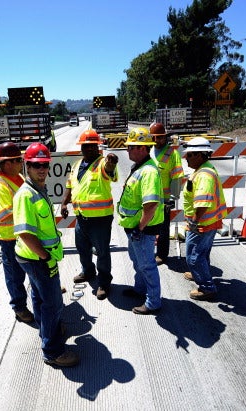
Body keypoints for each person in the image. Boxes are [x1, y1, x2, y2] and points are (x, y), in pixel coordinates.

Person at [13, 142, 79, 367]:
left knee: (40, 298)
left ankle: (45, 330)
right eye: (35, 165)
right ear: (27, 167)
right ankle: (52, 351)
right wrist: (46, 257)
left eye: (44, 165)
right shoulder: (25, 195)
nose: (41, 169)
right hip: (36, 258)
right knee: (53, 304)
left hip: (36, 257)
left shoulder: (38, 189)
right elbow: (24, 233)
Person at [61, 129, 119, 300]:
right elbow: (70, 185)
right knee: (82, 248)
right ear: (82, 148)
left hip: (100, 219)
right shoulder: (77, 164)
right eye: (87, 146)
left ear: (98, 147)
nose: (90, 149)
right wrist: (64, 202)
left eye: (93, 146)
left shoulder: (102, 163)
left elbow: (110, 171)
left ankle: (104, 282)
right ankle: (88, 272)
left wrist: (112, 163)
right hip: (81, 217)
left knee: (101, 251)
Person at [117, 127, 164, 314]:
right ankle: (140, 289)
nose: (128, 150)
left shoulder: (149, 172)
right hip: (135, 227)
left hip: (142, 229)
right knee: (137, 261)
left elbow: (150, 205)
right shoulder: (140, 167)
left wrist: (140, 227)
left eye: (131, 147)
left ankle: (153, 302)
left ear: (143, 148)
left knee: (147, 265)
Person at [0, 142, 34, 323]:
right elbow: (3, 216)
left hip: (23, 235)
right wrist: (27, 211)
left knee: (31, 268)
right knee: (15, 277)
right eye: (17, 160)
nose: (21, 162)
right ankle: (19, 308)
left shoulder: (18, 178)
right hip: (10, 239)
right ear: (7, 163)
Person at [181, 137, 227, 301]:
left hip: (202, 223)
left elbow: (203, 202)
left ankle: (207, 287)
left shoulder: (204, 175)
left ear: (201, 155)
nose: (186, 158)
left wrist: (193, 222)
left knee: (193, 257)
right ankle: (198, 274)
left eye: (190, 155)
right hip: (208, 222)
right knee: (203, 253)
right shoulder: (204, 169)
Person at [150, 122, 184, 265]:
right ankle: (148, 251)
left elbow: (177, 177)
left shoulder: (172, 153)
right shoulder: (149, 151)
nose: (158, 140)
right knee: (148, 227)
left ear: (165, 137)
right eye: (155, 137)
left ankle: (162, 255)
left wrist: (172, 197)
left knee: (163, 230)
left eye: (161, 137)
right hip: (149, 198)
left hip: (164, 200)